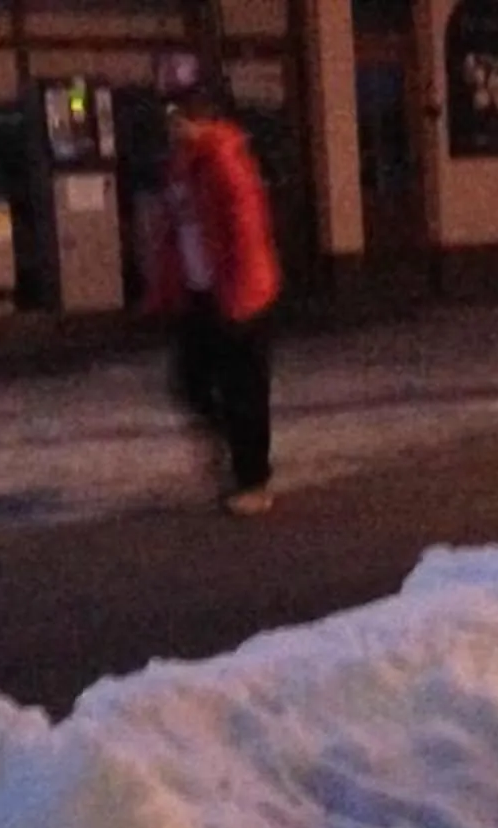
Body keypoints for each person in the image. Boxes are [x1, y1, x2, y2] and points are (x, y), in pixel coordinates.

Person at [147, 82, 282, 517]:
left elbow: (246, 229)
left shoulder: (225, 159)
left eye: (178, 118)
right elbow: (173, 234)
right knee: (190, 380)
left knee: (245, 389)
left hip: (240, 293)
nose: (172, 127)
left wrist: (241, 299)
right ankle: (230, 448)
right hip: (200, 292)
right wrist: (165, 291)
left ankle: (254, 481)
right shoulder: (181, 166)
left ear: (198, 119)